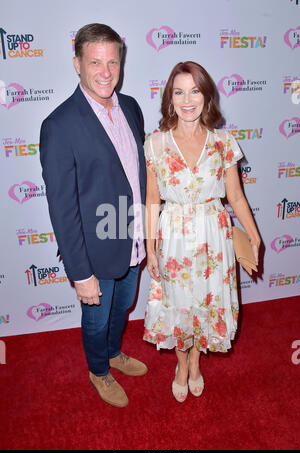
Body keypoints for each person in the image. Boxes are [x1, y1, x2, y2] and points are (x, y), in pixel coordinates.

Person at [40, 23, 147, 408]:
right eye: (95, 62)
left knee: (123, 309)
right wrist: (80, 273)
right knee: (97, 320)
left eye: (112, 62)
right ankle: (99, 370)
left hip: (132, 238)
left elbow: (137, 177)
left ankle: (115, 353)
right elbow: (62, 207)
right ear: (77, 64)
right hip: (93, 252)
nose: (105, 71)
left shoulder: (131, 107)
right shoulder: (59, 125)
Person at [143, 61, 260, 402]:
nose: (187, 99)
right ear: (170, 99)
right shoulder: (156, 143)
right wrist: (150, 248)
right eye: (179, 92)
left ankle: (196, 362)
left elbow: (235, 195)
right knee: (178, 305)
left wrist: (253, 234)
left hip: (213, 235)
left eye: (195, 90)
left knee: (207, 303)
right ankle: (181, 364)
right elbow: (152, 200)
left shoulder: (223, 141)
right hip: (174, 235)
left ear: (206, 96)